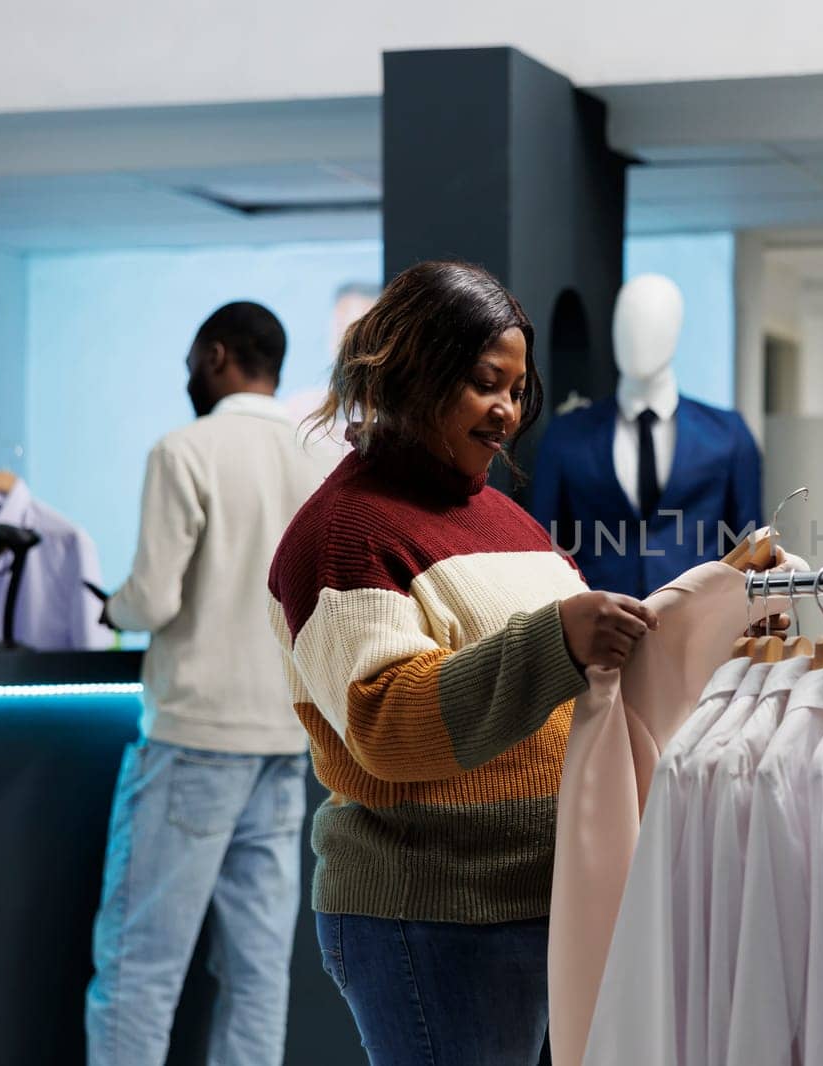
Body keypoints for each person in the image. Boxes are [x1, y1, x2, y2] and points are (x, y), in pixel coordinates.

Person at [266, 260, 664, 1064]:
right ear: (419, 373)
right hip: (434, 915)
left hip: (541, 904)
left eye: (518, 390)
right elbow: (388, 721)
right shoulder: (344, 532)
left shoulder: (503, 517)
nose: (509, 413)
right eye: (488, 384)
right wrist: (556, 639)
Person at [85, 302, 331, 1064]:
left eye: (194, 359)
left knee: (139, 969)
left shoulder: (183, 450)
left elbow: (153, 600)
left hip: (193, 739)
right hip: (285, 743)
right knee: (258, 976)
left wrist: (109, 604)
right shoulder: (319, 460)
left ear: (215, 356)